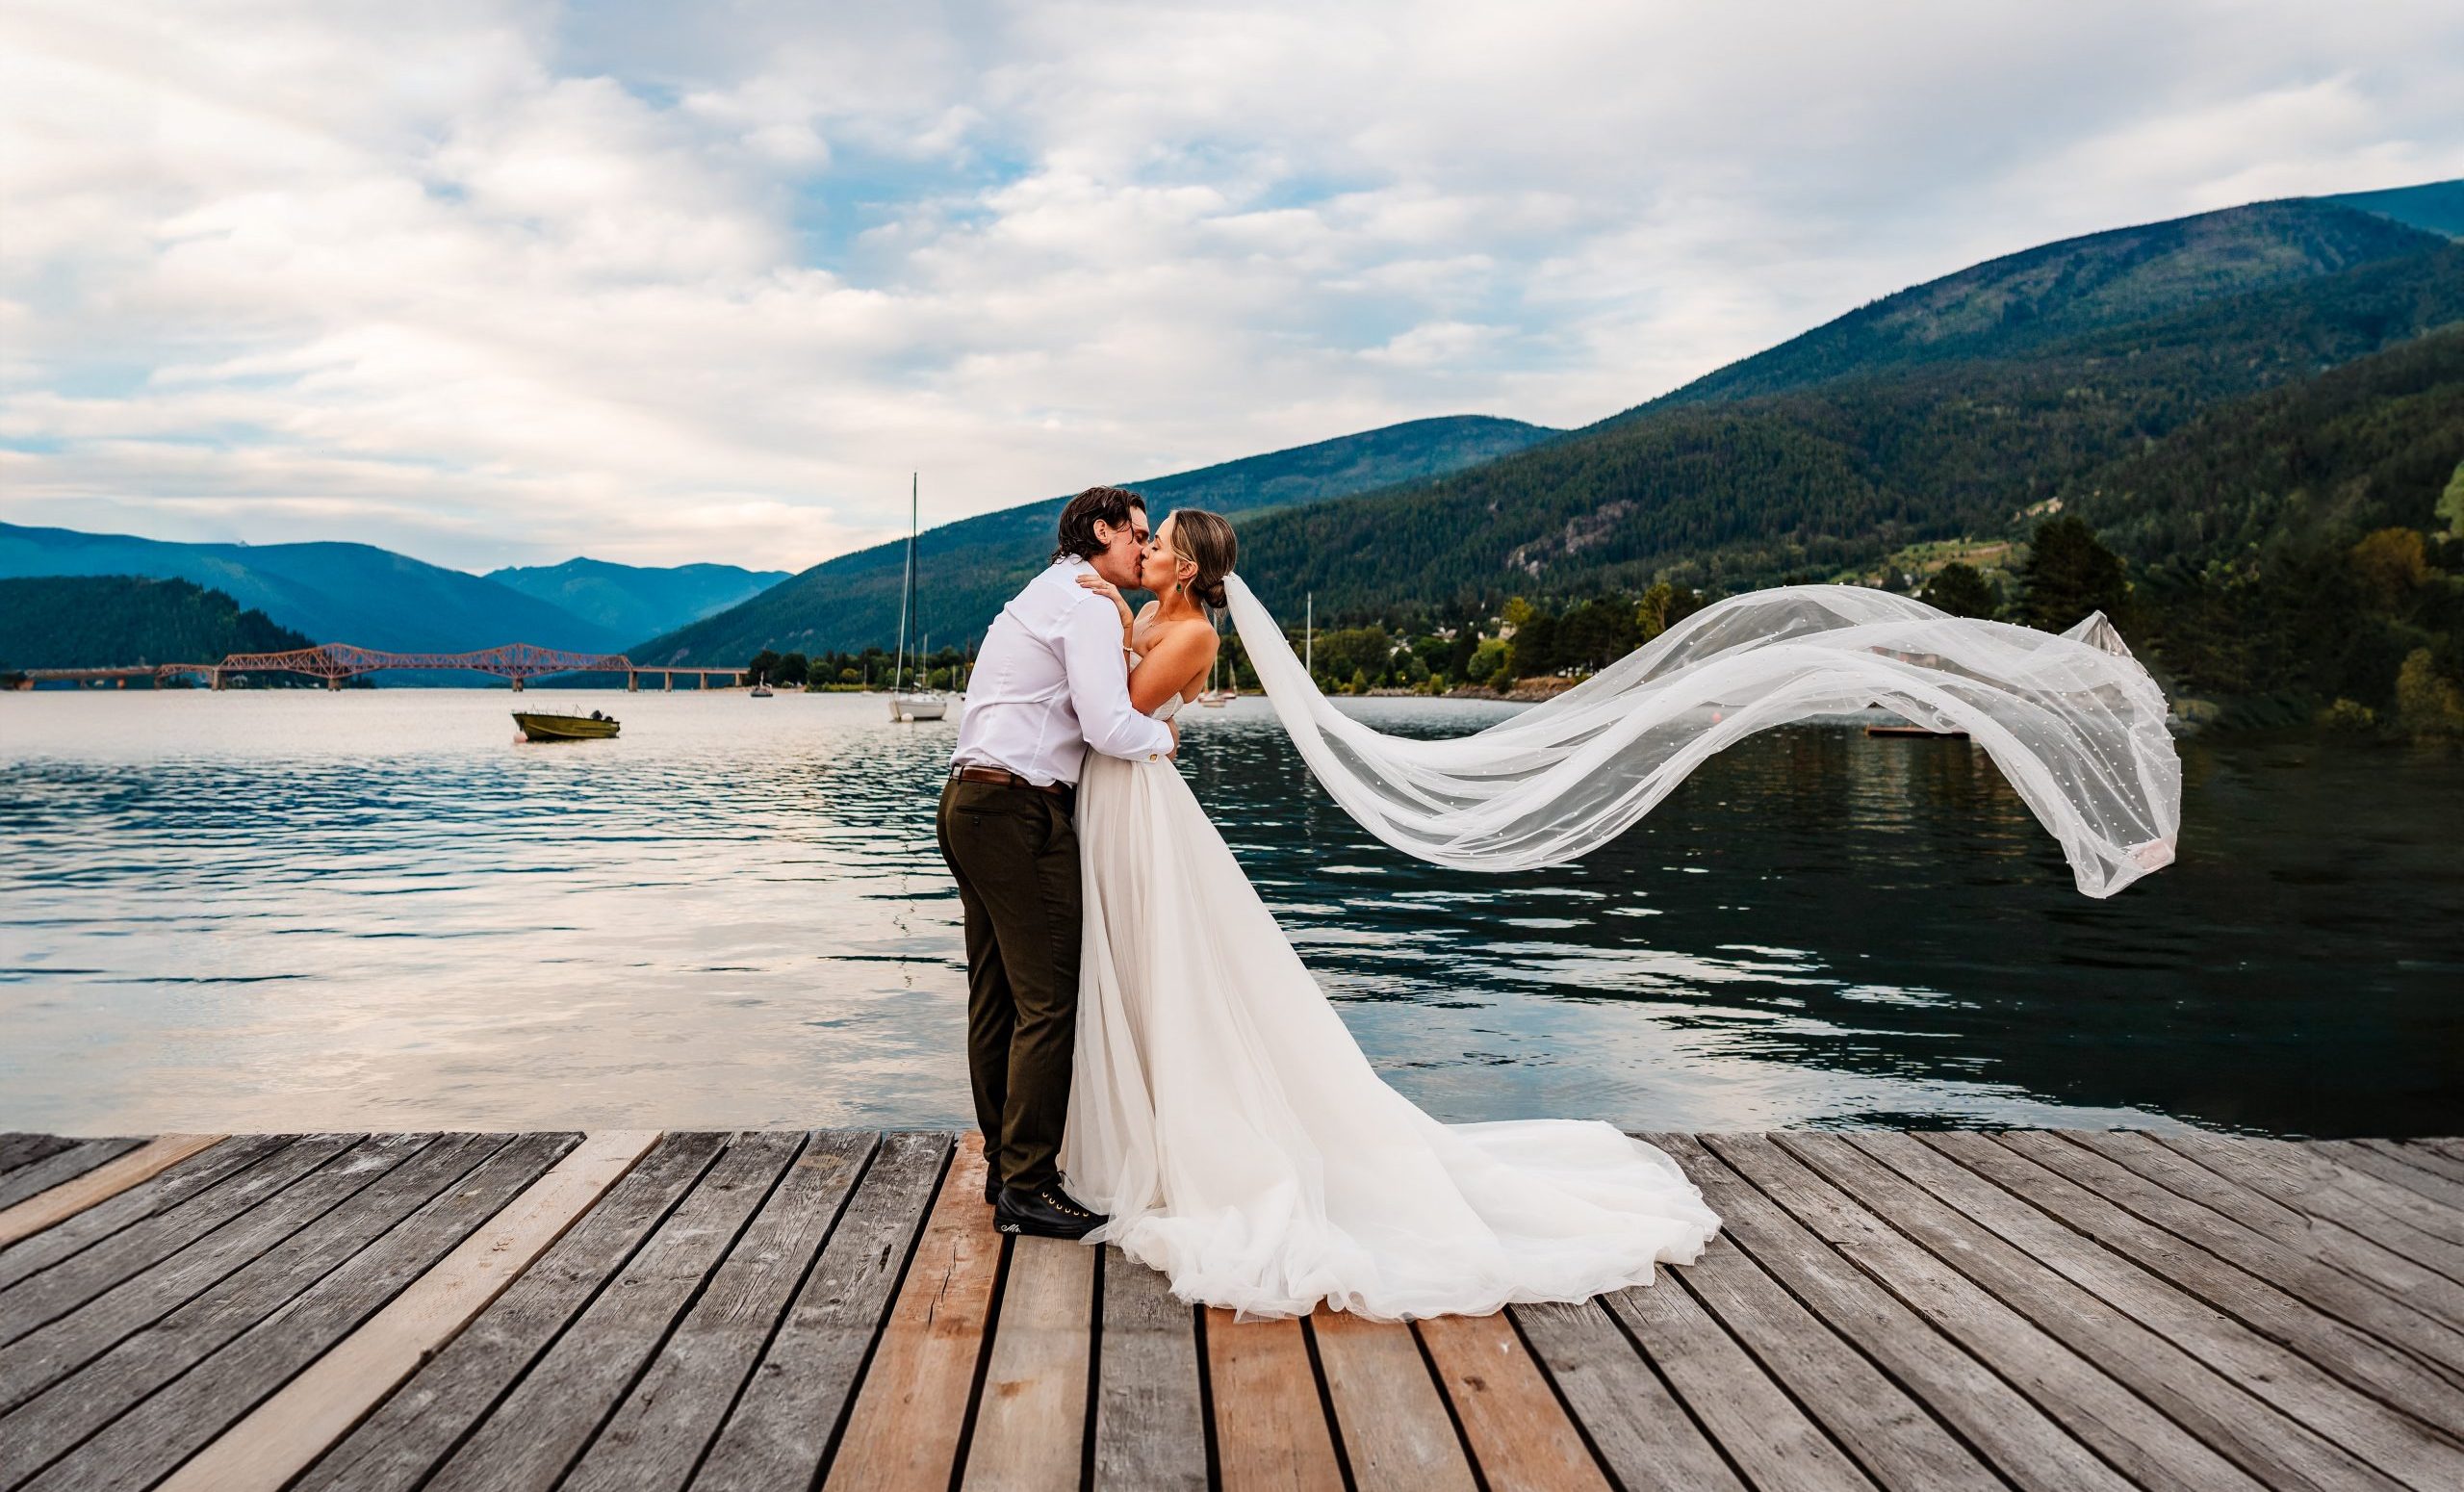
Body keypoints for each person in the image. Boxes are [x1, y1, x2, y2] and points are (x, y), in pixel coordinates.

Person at [1057, 506, 1724, 1321]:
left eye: (1158, 543)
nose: (1148, 550)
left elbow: (1119, 708)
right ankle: (1140, 1128)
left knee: (1167, 959)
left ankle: (1197, 1142)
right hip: (1115, 794)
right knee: (1133, 957)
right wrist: (1122, 617)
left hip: (1140, 803)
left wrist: (1113, 619)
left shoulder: (1192, 636)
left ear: (1188, 569)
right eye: (1148, 539)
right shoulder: (1155, 613)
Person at [938, 486, 1176, 1241]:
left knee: (998, 997)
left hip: (970, 803)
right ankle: (1030, 1187)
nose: (1144, 547)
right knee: (1047, 1002)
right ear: (1101, 530)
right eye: (1137, 534)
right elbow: (1108, 725)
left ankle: (1008, 1173)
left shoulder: (1050, 593)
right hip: (1017, 813)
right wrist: (1164, 741)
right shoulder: (1085, 602)